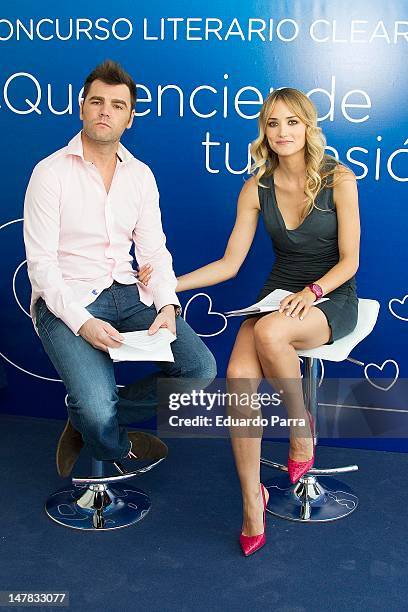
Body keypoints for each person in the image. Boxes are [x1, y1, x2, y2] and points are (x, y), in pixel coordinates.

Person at [138, 88, 360, 556]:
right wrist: (168, 285)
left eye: (292, 122)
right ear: (265, 130)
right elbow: (230, 263)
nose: (282, 132)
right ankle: (251, 503)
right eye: (273, 123)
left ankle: (301, 435)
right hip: (276, 295)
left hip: (328, 295)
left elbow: (350, 260)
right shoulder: (256, 187)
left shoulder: (340, 178)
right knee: (238, 376)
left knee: (270, 331)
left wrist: (312, 292)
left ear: (308, 126)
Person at [23, 59, 216, 478]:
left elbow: (155, 253)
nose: (104, 111)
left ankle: (92, 422)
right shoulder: (49, 173)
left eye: (116, 104)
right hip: (68, 301)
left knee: (200, 369)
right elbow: (41, 268)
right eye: (96, 101)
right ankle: (115, 438)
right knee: (96, 404)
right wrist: (82, 324)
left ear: (129, 118)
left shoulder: (140, 176)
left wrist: (168, 305)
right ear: (82, 108)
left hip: (128, 293)